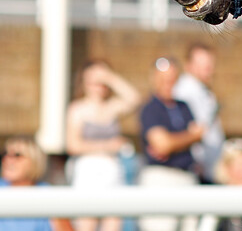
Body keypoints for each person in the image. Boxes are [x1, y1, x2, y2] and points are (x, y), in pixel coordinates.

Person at [66, 60, 141, 231]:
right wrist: (108, 146)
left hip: (113, 172)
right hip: (88, 173)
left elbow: (135, 99)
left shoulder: (112, 107)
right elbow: (73, 145)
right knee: (86, 224)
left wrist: (111, 78)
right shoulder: (77, 109)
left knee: (113, 223)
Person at [138, 57, 204, 231]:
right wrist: (189, 137)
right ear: (154, 79)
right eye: (164, 79)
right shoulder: (151, 108)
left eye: (172, 79)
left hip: (186, 176)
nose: (168, 83)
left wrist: (174, 141)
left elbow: (200, 133)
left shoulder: (183, 106)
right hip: (161, 179)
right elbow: (163, 145)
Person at [172, 43, 225, 183]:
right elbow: (190, 131)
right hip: (198, 169)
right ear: (188, 65)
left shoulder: (203, 91)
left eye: (210, 64)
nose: (209, 69)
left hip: (209, 167)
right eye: (202, 64)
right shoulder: (185, 91)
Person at [0, 136, 74, 231]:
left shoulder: (48, 195)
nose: (8, 160)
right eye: (5, 154)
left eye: (17, 155)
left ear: (34, 160)